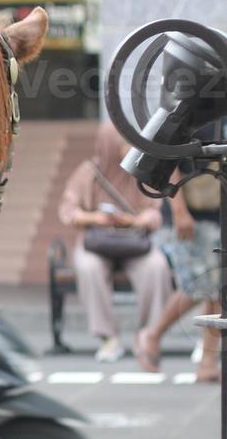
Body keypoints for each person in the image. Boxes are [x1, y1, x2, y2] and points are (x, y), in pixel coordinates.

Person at [57, 122, 174, 363]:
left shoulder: (141, 172)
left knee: (157, 266)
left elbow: (154, 213)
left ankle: (146, 335)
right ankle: (108, 338)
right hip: (98, 243)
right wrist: (97, 218)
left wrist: (135, 221)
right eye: (123, 141)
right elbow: (68, 211)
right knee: (88, 267)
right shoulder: (88, 171)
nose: (128, 147)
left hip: (134, 244)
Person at [135, 167, 222, 380]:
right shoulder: (188, 131)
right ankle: (153, 334)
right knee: (203, 286)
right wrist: (179, 212)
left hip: (216, 209)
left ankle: (207, 362)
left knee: (217, 287)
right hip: (191, 214)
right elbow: (171, 164)